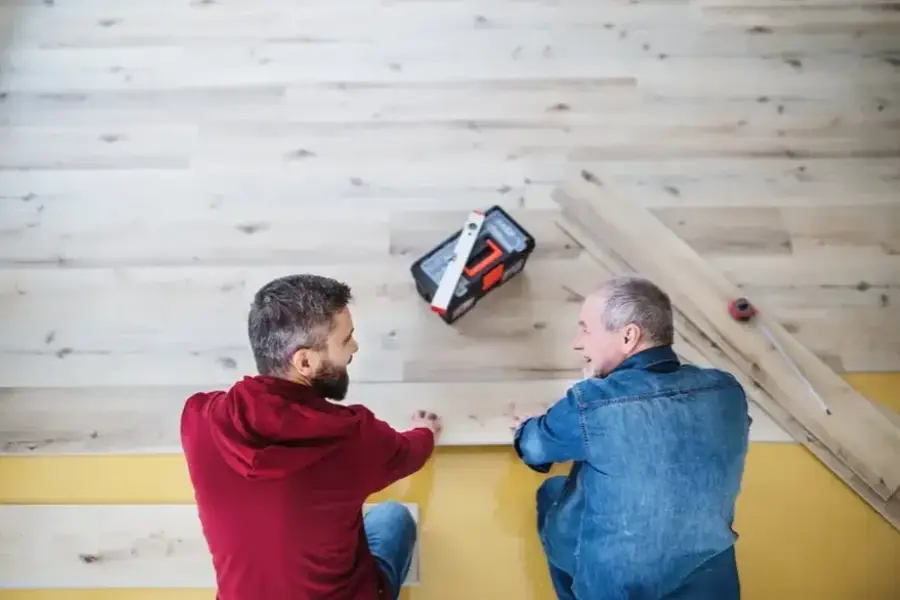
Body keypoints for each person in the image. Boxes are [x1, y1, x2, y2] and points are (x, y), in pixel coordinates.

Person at [180, 274, 442, 600]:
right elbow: (412, 451)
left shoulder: (198, 419)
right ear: (305, 361)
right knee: (393, 517)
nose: (354, 348)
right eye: (346, 340)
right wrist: (426, 431)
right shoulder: (352, 437)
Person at [513, 276, 750, 600]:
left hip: (618, 586)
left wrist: (572, 404)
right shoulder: (727, 389)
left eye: (585, 329)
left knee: (552, 493)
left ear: (628, 336)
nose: (577, 343)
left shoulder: (592, 403)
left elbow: (533, 447)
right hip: (708, 575)